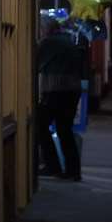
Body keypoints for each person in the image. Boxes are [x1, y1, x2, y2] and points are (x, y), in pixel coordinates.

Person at [37, 16, 88, 180]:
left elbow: (34, 62)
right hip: (72, 90)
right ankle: (73, 171)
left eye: (40, 29)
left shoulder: (48, 43)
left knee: (40, 126)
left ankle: (53, 166)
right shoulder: (68, 40)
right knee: (64, 130)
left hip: (55, 90)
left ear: (46, 29)